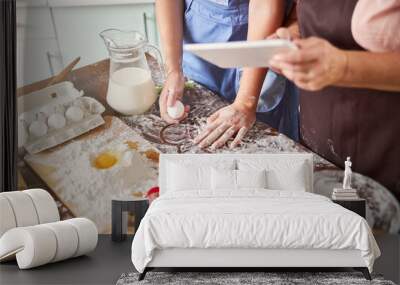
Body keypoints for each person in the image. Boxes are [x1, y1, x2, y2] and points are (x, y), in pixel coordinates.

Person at [268, 0, 400, 200]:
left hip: (387, 140)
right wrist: (293, 37)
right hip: (321, 126)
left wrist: (343, 66)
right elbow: (298, 13)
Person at [156, 0, 298, 150]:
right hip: (200, 36)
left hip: (259, 40)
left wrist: (245, 103)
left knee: (256, 146)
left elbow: (264, 5)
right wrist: (173, 69)